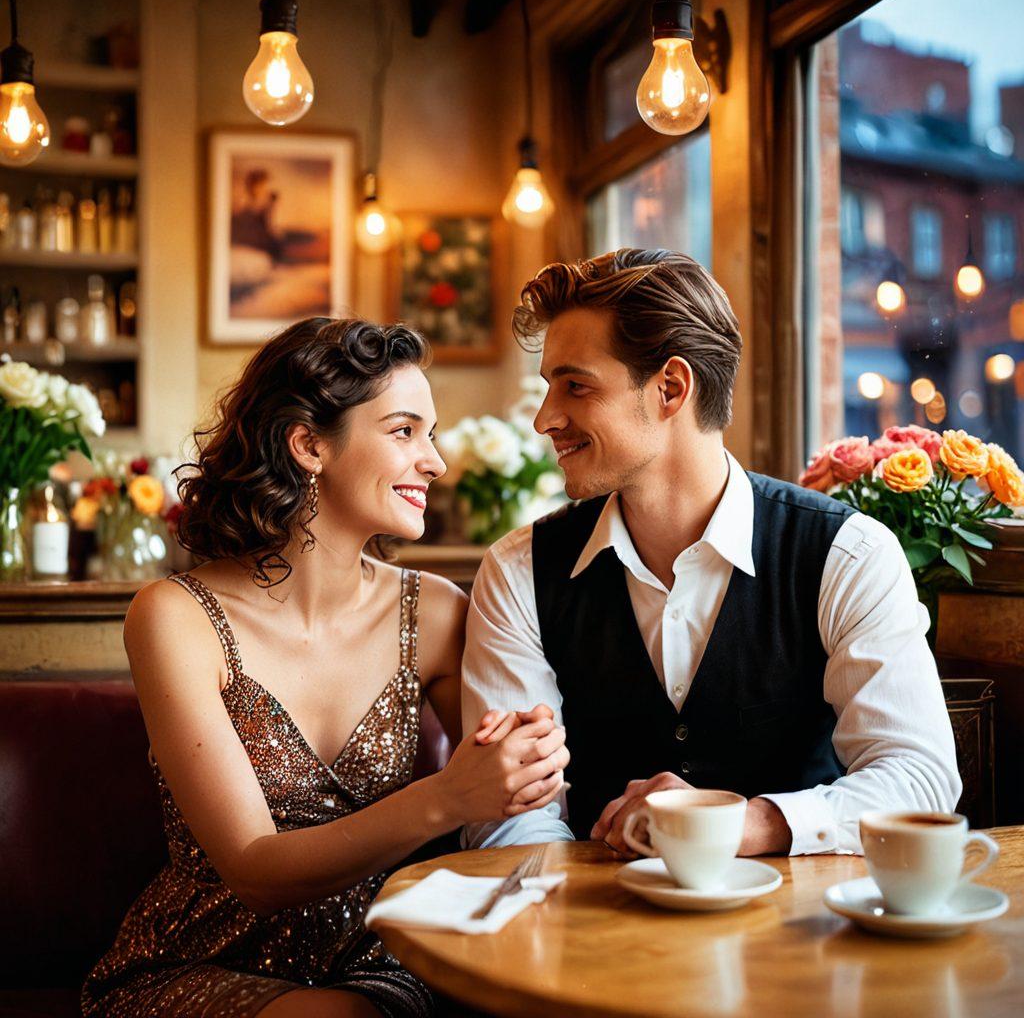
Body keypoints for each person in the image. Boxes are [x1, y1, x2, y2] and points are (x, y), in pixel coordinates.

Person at [82, 318, 568, 1018]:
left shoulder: (436, 614)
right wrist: (448, 796)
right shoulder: (174, 617)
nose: (434, 461)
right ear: (310, 445)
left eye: (431, 435)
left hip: (383, 955)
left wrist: (534, 762)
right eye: (405, 432)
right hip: (201, 959)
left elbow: (519, 802)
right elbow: (252, 868)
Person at [462, 248, 961, 859]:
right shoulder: (518, 572)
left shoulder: (849, 554)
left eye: (575, 386)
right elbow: (510, 818)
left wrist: (733, 824)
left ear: (671, 387)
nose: (545, 418)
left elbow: (921, 780)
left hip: (806, 938)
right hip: (596, 932)